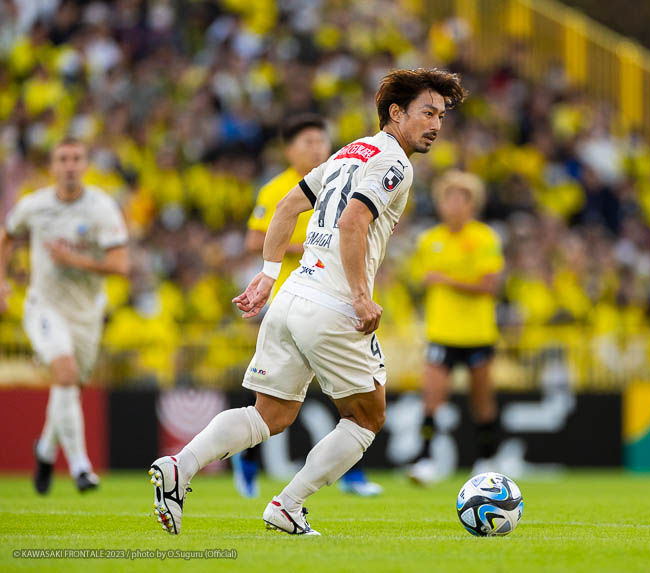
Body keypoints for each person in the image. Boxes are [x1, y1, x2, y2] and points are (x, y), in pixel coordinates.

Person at [148, 68, 468, 535]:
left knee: (270, 414)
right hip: (332, 305)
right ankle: (288, 505)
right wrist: (360, 296)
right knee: (367, 417)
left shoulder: (349, 152)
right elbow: (352, 222)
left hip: (292, 296)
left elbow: (285, 207)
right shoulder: (395, 163)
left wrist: (268, 275)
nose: (436, 124)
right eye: (427, 113)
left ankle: (181, 465)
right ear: (396, 113)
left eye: (440, 115)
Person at [236, 112, 383, 498]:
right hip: (288, 297)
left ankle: (351, 475)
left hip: (330, 299)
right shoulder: (276, 189)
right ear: (289, 150)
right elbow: (254, 240)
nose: (318, 149)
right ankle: (247, 461)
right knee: (273, 396)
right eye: (308, 142)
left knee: (344, 392)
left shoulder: (339, 177)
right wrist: (308, 246)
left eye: (322, 141)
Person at [0, 138, 129, 495]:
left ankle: (44, 450)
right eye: (63, 159)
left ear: (85, 165)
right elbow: (6, 235)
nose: (70, 165)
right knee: (66, 372)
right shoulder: (34, 205)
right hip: (44, 306)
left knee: (69, 387)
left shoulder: (101, 208)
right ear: (52, 167)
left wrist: (75, 260)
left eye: (76, 158)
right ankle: (80, 467)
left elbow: (121, 265)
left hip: (86, 314)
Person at [407, 170, 505, 485]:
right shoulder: (429, 240)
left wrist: (446, 279)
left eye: (461, 199)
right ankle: (424, 459)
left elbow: (489, 284)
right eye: (448, 198)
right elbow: (421, 280)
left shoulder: (484, 237)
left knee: (482, 400)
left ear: (472, 204)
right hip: (441, 332)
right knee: (432, 397)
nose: (453, 205)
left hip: (477, 333)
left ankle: (487, 459)